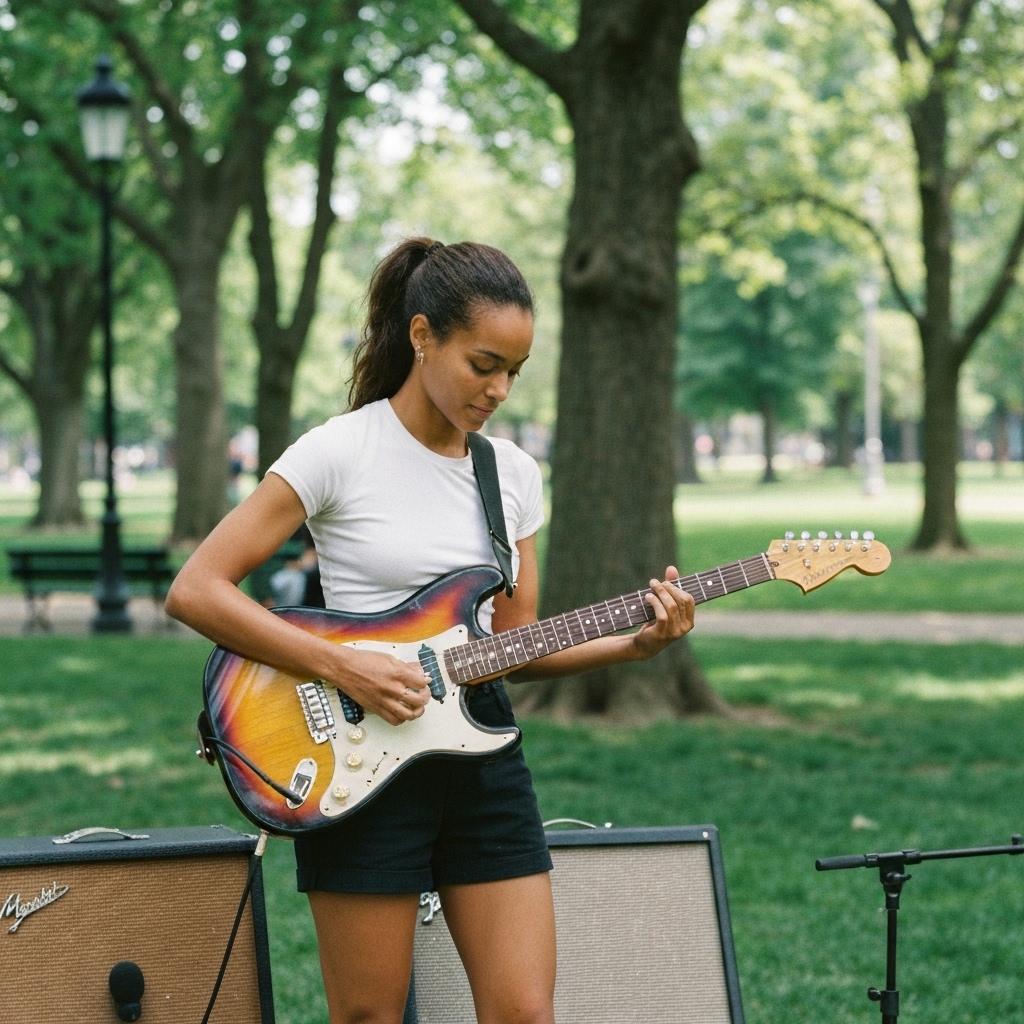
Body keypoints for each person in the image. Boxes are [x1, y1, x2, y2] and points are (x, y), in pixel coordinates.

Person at [165, 238, 695, 1024]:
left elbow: (518, 646)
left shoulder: (511, 475)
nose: (500, 388)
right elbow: (196, 589)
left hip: (483, 767)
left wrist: (635, 645)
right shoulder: (341, 450)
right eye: (484, 364)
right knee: (370, 1017)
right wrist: (342, 668)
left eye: (514, 369)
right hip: (353, 764)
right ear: (423, 337)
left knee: (525, 1014)